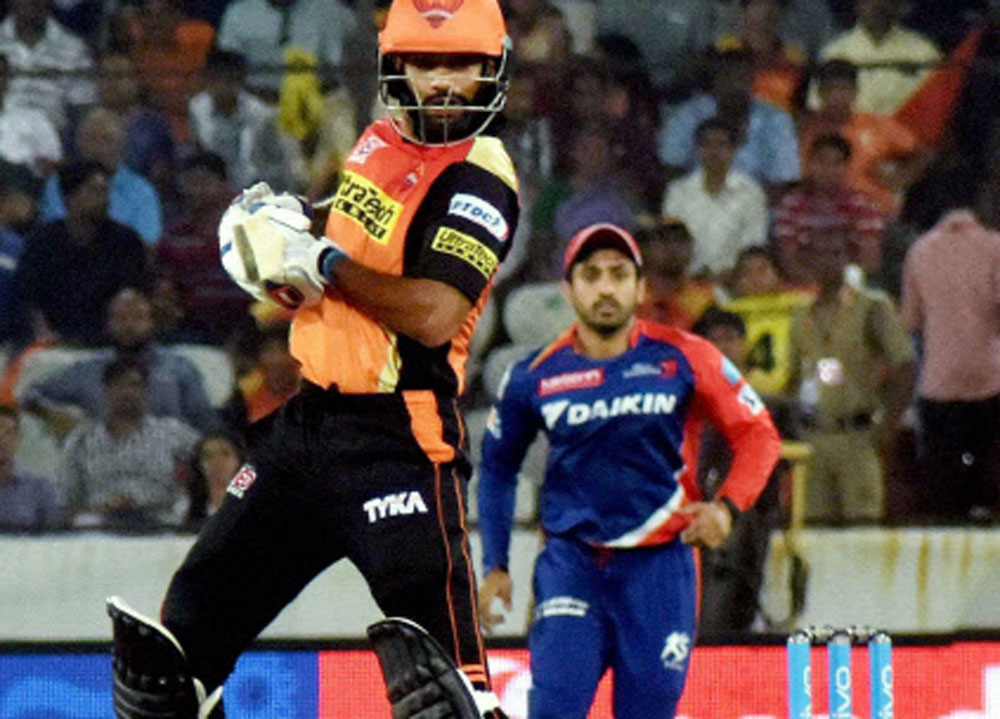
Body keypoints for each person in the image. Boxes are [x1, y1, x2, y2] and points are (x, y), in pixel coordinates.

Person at [107, 1, 519, 717]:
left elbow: (433, 314)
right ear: (398, 67)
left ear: (493, 70)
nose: (445, 82)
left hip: (399, 439)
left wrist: (321, 259)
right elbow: (345, 239)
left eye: (463, 65)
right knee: (172, 667)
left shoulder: (481, 174)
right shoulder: (379, 140)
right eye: (427, 64)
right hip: (305, 429)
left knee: (446, 698)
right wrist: (288, 229)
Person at [477, 223, 780, 718]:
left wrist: (728, 507)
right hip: (572, 565)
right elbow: (496, 466)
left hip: (661, 568)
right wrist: (495, 564)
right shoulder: (534, 374)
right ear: (568, 290)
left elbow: (758, 434)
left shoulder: (685, 356)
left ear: (640, 288)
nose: (605, 287)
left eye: (619, 275)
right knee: (553, 712)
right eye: (591, 275)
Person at [791, 232, 915, 523]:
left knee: (862, 527)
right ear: (808, 262)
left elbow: (905, 366)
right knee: (813, 530)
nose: (827, 262)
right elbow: (798, 375)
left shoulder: (871, 307)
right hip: (812, 437)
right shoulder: (800, 314)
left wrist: (888, 426)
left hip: (857, 435)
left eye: (835, 254)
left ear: (848, 259)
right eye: (819, 254)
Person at [900, 190, 1000, 521]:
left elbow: (911, 320)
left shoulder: (920, 251)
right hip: (990, 377)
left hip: (938, 381)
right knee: (989, 470)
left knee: (944, 479)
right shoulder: (994, 246)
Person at [18, 286, 219, 437]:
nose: (129, 326)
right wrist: (52, 414)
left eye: (137, 318)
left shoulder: (179, 368)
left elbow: (205, 423)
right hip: (102, 463)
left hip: (167, 464)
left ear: (151, 323)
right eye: (121, 319)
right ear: (109, 324)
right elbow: (29, 394)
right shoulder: (88, 369)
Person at [12, 159, 149, 346]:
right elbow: (28, 296)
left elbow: (132, 293)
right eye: (95, 191)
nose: (104, 199)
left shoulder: (125, 241)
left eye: (105, 192)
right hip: (52, 339)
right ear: (69, 197)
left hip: (110, 341)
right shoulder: (42, 241)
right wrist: (43, 335)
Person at [62, 355, 200, 530]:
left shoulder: (174, 434)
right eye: (119, 385)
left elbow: (222, 460)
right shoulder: (81, 440)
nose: (127, 392)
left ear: (146, 391)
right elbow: (67, 502)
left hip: (160, 522)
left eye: (135, 385)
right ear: (105, 390)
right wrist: (101, 508)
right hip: (99, 526)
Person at [662, 117, 768, 280]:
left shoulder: (751, 192)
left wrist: (728, 274)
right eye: (706, 145)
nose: (713, 151)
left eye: (721, 144)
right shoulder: (678, 192)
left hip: (736, 282)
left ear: (733, 149)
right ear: (697, 149)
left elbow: (753, 244)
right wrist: (695, 274)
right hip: (687, 281)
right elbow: (672, 242)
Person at [773, 133, 886, 284]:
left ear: (847, 167)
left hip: (850, 286)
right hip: (803, 286)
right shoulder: (791, 206)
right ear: (809, 164)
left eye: (836, 163)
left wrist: (842, 287)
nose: (828, 170)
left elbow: (870, 261)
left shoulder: (863, 206)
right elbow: (788, 261)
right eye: (821, 162)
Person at [816, 0, 940, 116]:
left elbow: (934, 106)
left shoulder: (923, 51)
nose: (876, 5)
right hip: (850, 135)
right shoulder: (834, 52)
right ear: (857, 4)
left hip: (909, 133)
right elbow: (817, 107)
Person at [0, 404, 63, 532]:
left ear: (18, 438)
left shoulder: (40, 488)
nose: (1, 440)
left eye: (7, 432)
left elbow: (55, 538)